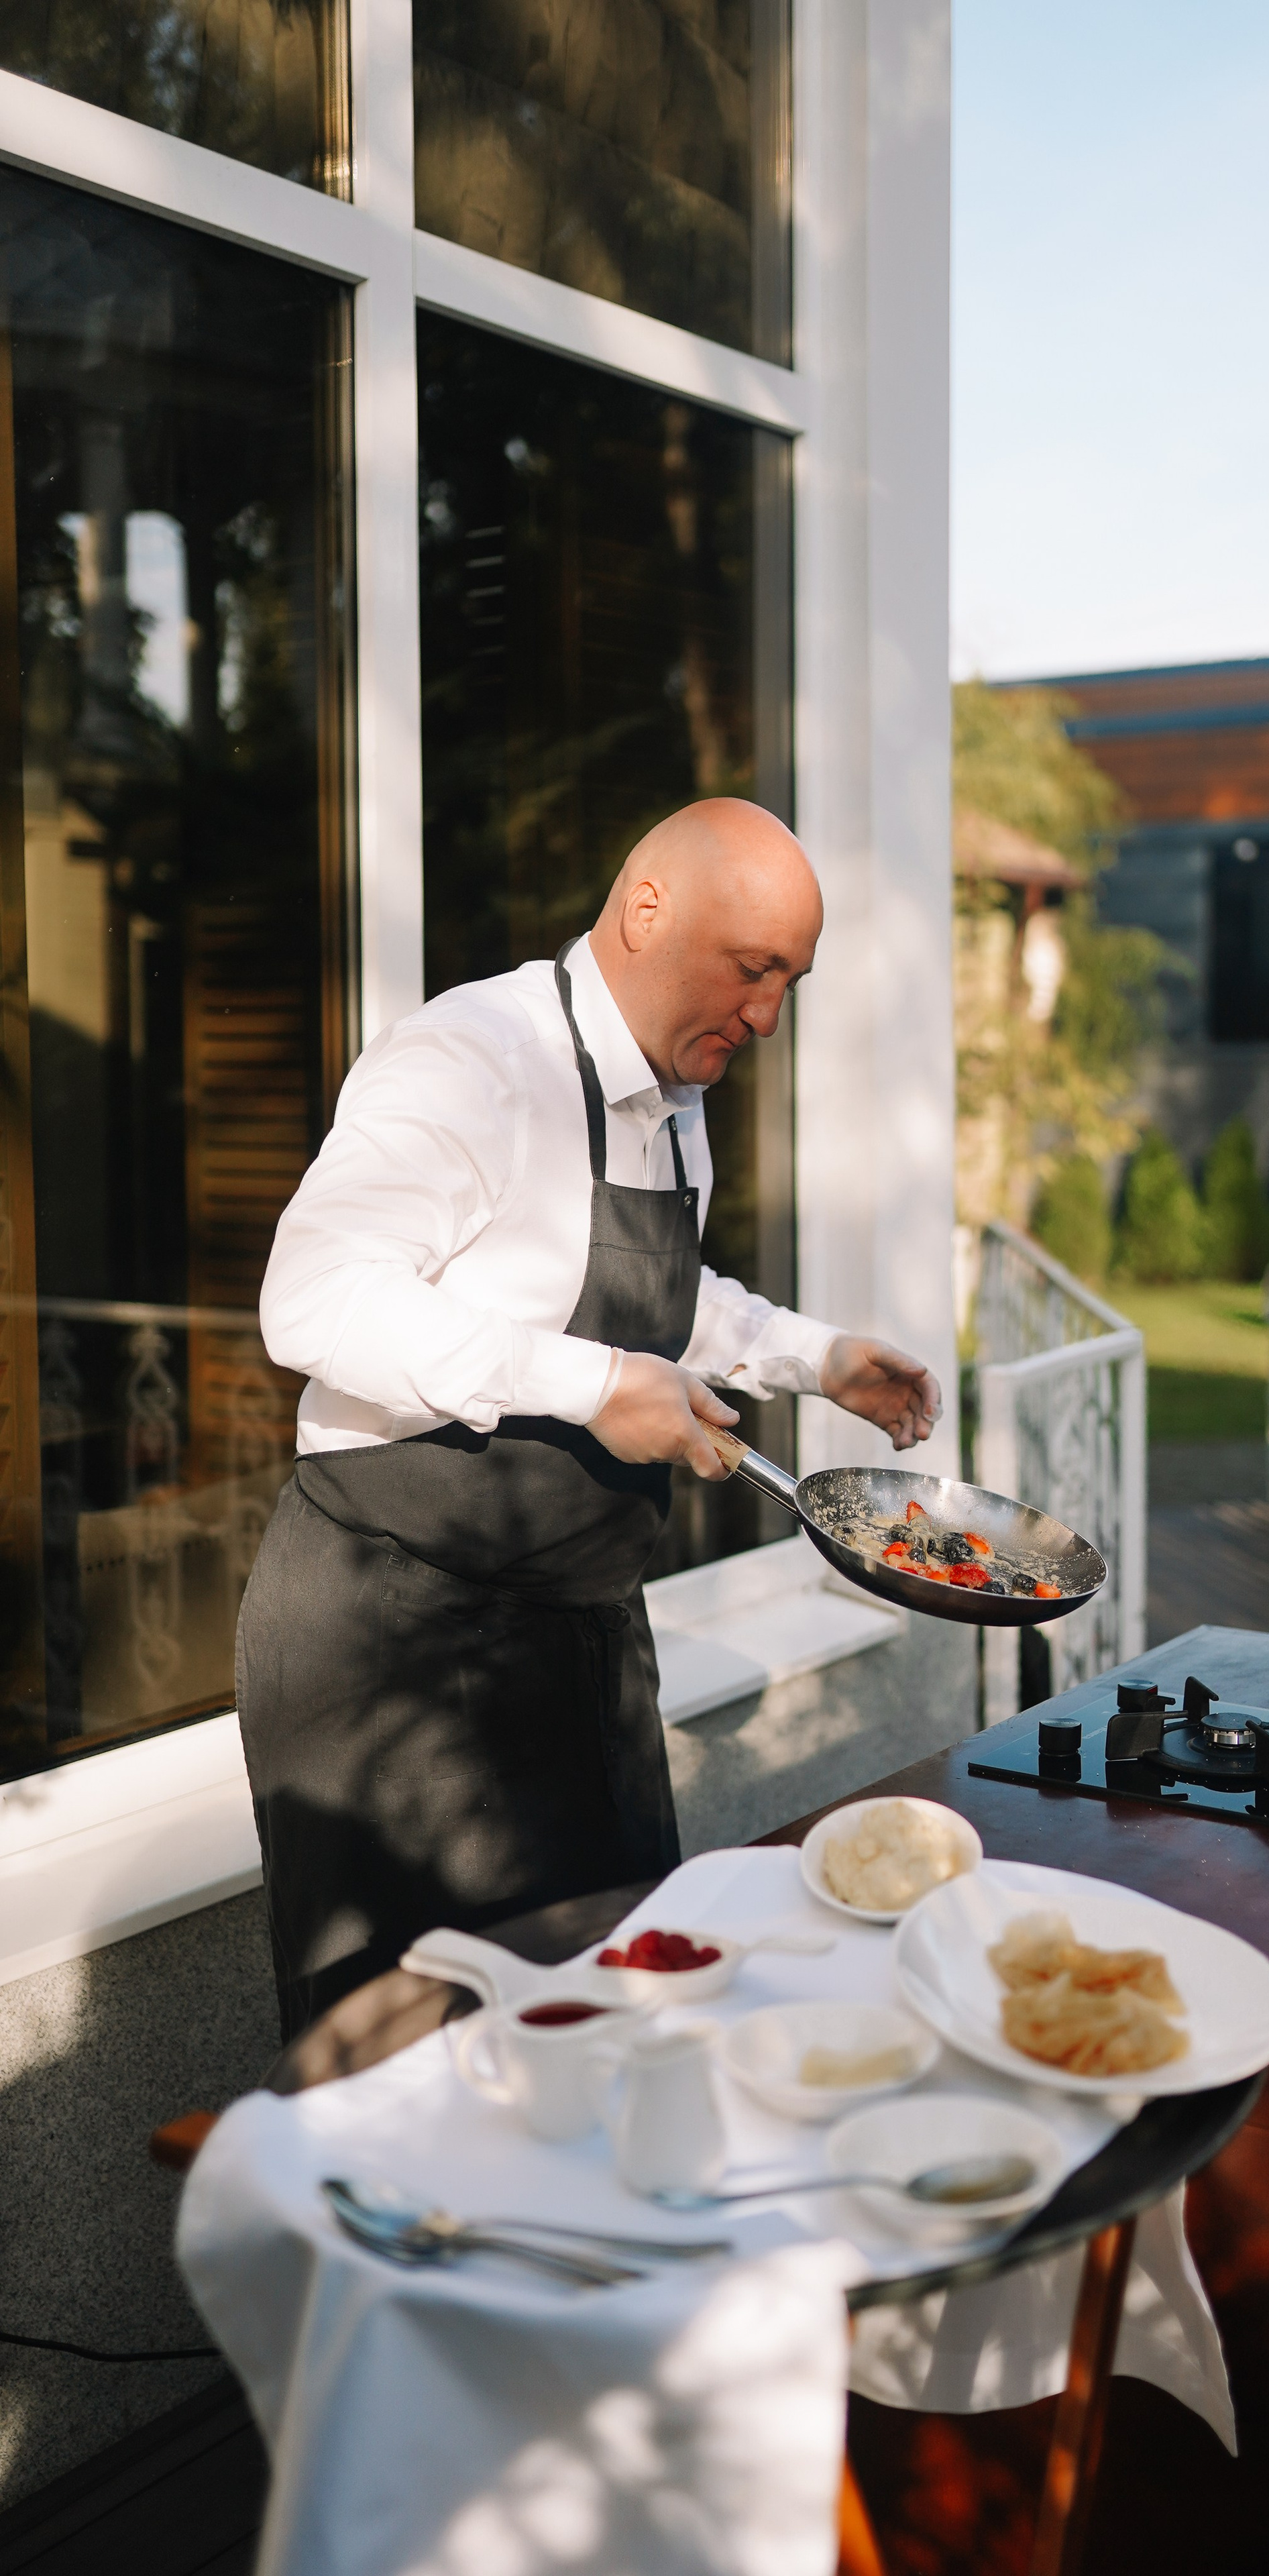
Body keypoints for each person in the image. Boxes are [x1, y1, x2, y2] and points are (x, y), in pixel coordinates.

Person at [239, 799, 940, 2037]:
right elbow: (313, 1300)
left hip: (579, 1635)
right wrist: (591, 1387)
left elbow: (654, 1296)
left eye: (792, 983)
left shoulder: (673, 1093)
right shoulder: (473, 1059)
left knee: (619, 2015)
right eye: (753, 970)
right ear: (646, 909)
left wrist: (815, 1358)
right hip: (398, 1644)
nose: (769, 1016)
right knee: (425, 2073)